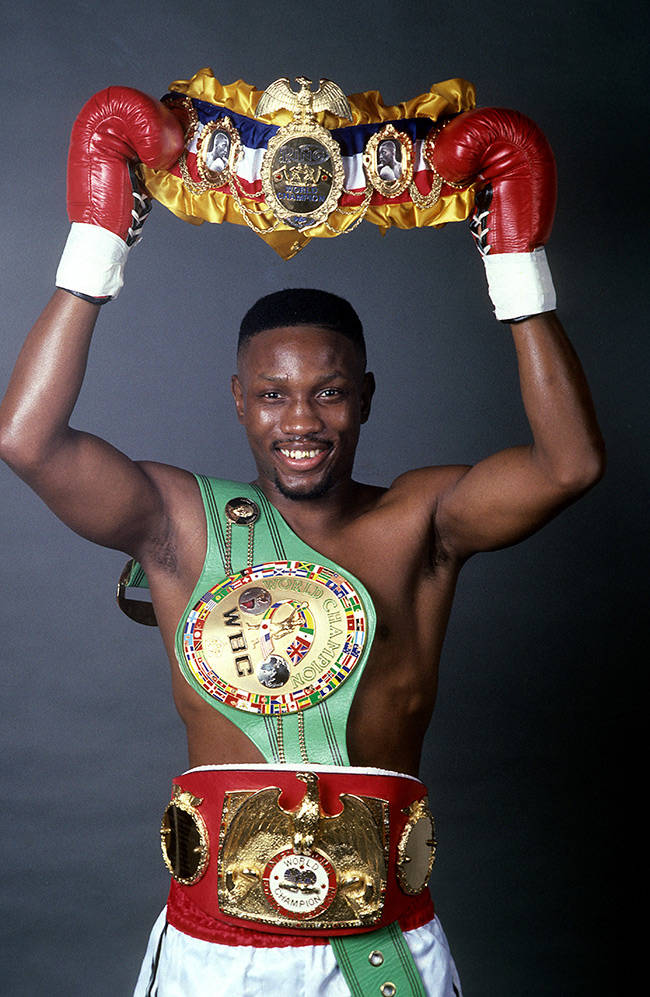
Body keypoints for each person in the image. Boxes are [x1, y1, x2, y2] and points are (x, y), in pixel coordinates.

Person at [0, 88, 604, 997]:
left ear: (365, 396)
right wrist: (99, 237)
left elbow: (568, 465)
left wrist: (513, 258)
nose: (301, 419)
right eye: (274, 393)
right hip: (211, 951)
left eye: (328, 392)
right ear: (238, 399)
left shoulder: (422, 521)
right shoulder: (181, 524)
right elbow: (26, 441)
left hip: (380, 953)